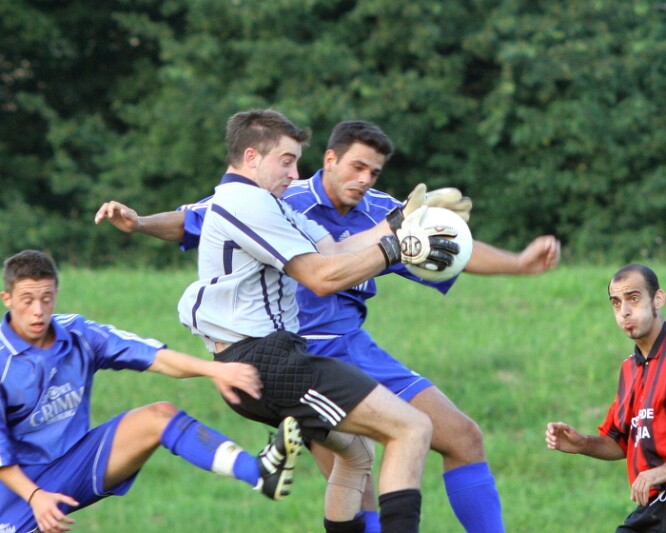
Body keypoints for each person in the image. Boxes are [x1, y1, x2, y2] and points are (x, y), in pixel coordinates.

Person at [96, 119, 561, 533]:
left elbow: (438, 246)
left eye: (374, 172)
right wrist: (139, 223)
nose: (365, 179)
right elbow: (195, 220)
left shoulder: (371, 210)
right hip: (287, 355)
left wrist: (515, 262)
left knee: (448, 440)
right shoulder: (268, 198)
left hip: (346, 347)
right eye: (357, 167)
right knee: (383, 455)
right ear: (331, 159)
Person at [0, 250, 304, 533]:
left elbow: (153, 357)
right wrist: (35, 495)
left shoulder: (79, 335)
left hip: (75, 462)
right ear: (7, 299)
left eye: (46, 299)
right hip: (15, 490)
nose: (38, 311)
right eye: (27, 300)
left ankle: (259, 472)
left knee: (159, 416)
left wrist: (214, 370)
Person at [546, 264, 666, 532]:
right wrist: (582, 443)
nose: (624, 311)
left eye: (633, 298)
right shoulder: (630, 368)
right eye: (616, 302)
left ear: (658, 299)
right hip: (653, 509)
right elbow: (621, 442)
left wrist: (659, 473)